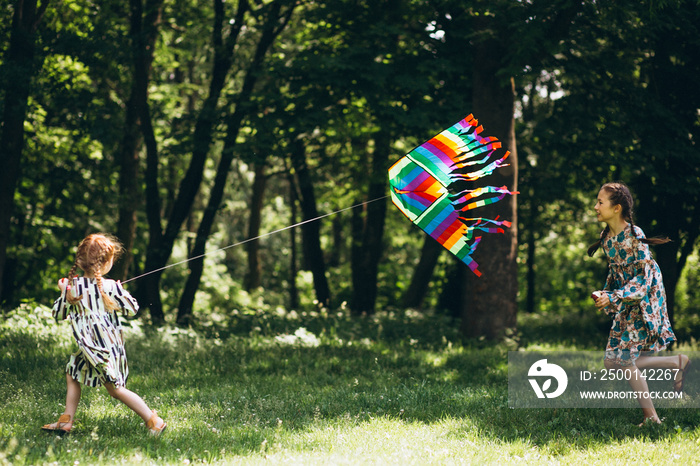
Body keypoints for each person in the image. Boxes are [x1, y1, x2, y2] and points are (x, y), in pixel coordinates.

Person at [41, 233, 166, 435]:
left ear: (80, 261)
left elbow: (58, 313)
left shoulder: (73, 287)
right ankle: (66, 421)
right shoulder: (109, 287)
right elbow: (132, 309)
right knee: (73, 374)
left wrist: (64, 291)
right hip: (101, 347)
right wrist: (120, 290)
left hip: (95, 348)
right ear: (106, 263)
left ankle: (154, 421)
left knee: (114, 389)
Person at [588, 182, 690, 426]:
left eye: (600, 202)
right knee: (612, 361)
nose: (595, 207)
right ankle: (676, 362)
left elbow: (644, 279)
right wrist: (605, 294)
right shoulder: (606, 238)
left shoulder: (635, 235)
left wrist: (615, 297)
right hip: (627, 298)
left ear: (616, 208)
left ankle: (652, 418)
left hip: (645, 297)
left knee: (624, 359)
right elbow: (615, 274)